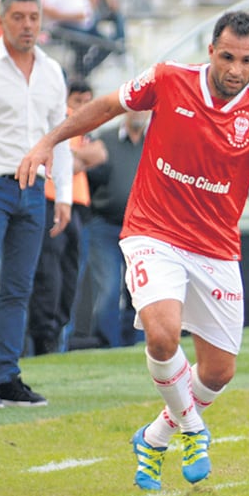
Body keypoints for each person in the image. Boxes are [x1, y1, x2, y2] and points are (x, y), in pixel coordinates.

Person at [17, 11, 249, 489]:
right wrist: (48, 142)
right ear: (211, 50)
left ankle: (154, 437)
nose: (235, 69)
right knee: (162, 336)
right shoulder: (168, 79)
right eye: (227, 57)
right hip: (152, 232)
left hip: (216, 248)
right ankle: (194, 429)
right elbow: (108, 107)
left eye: (247, 60)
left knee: (219, 371)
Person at [0, 0, 71, 409]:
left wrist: (61, 194)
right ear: (1, 21)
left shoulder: (52, 71)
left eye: (33, 17)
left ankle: (8, 376)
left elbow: (59, 137)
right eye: (19, 17)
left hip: (33, 190)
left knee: (18, 287)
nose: (27, 25)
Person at [27, 79, 104, 355]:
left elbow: (98, 154)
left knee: (69, 277)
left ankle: (55, 335)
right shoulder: (60, 118)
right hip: (50, 200)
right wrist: (71, 159)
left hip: (76, 205)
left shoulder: (81, 124)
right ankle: (44, 338)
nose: (84, 106)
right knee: (50, 275)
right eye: (78, 101)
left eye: (88, 101)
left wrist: (71, 158)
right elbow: (64, 160)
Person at [83, 109, 149, 348]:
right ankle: (107, 344)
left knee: (139, 289)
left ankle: (137, 344)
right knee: (109, 287)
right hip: (105, 224)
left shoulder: (155, 141)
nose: (140, 112)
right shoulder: (105, 140)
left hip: (142, 229)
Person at [35, 0, 116, 79]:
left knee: (108, 44)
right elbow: (44, 9)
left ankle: (83, 73)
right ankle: (77, 74)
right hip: (61, 26)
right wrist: (73, 16)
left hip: (85, 24)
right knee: (82, 43)